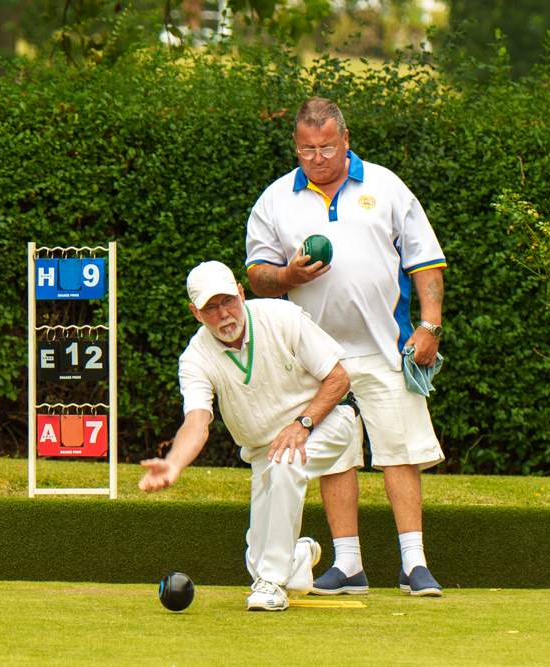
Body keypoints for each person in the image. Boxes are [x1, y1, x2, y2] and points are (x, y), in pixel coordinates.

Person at [245, 96, 447, 597]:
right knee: (336, 452)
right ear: (296, 145)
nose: (317, 158)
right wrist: (288, 276)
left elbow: (425, 259)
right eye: (307, 149)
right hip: (314, 355)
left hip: (385, 345)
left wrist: (430, 325)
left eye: (327, 147)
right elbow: (256, 274)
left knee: (400, 450)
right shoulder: (275, 199)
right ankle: (349, 565)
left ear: (346, 140)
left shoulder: (385, 185)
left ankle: (414, 564)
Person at [138, 260, 363, 611]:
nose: (223, 314)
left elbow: (338, 379)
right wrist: (174, 463)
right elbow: (197, 421)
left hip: (326, 419)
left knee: (287, 465)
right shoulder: (195, 359)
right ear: (195, 313)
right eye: (210, 308)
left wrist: (302, 423)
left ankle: (273, 583)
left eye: (228, 301)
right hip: (264, 449)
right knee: (257, 561)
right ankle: (296, 557)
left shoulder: (281, 317)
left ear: (241, 294)